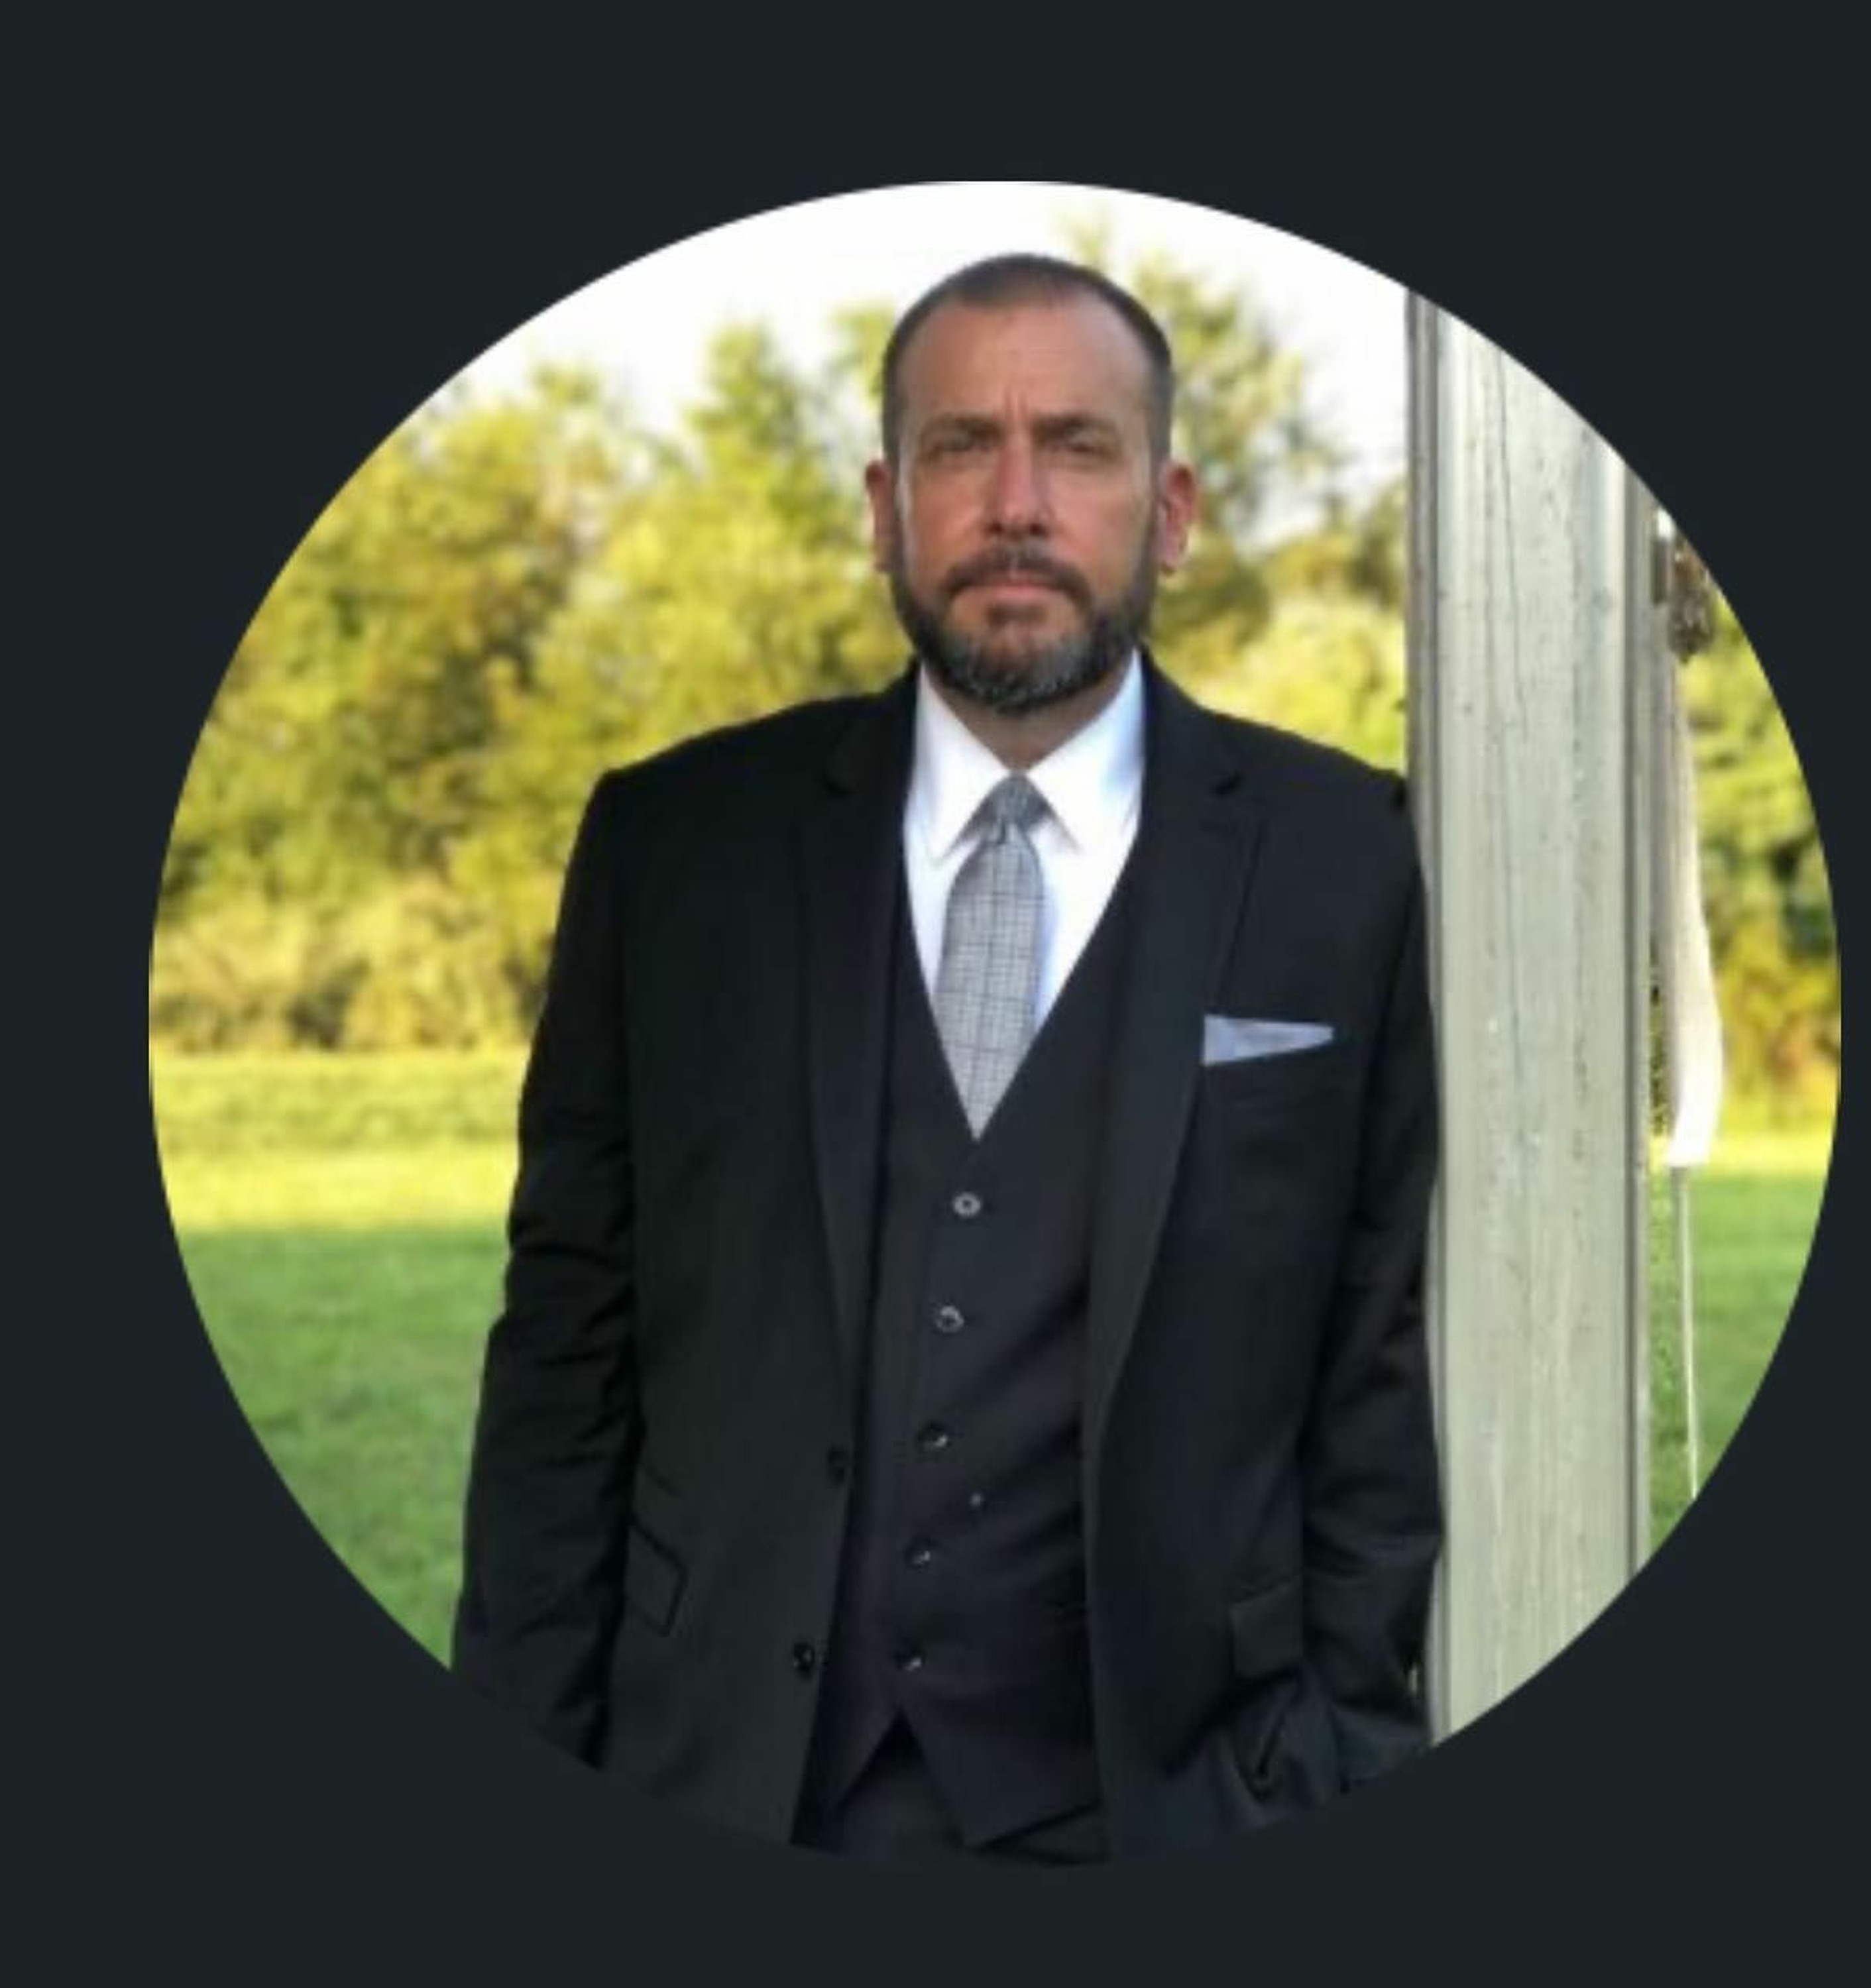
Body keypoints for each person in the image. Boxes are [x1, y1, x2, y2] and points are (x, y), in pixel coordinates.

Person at [451, 253, 1441, 1863]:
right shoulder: (677, 849)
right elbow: (566, 1355)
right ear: (884, 506)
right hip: (732, 1773)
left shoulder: (1346, 862)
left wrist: (1336, 1759)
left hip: (1178, 1792)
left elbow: (1372, 1366)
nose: (1017, 504)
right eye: (961, 446)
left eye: (1080, 447)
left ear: (1172, 512)